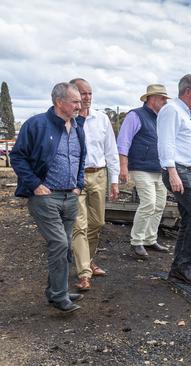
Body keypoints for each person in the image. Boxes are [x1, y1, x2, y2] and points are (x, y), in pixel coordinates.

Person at [10, 82, 87, 312]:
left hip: (70, 196)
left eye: (79, 101)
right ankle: (59, 294)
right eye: (74, 101)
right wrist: (34, 185)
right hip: (46, 197)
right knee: (59, 243)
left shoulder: (77, 127)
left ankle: (56, 291)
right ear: (59, 102)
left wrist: (78, 184)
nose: (79, 105)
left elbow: (81, 158)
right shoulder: (36, 124)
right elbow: (17, 157)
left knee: (63, 248)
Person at [157, 74, 191, 286]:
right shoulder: (172, 110)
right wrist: (172, 171)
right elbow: (166, 142)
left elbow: (189, 148)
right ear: (187, 92)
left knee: (189, 219)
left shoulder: (187, 113)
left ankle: (178, 269)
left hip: (189, 171)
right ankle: (185, 266)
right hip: (178, 170)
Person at [70, 78, 120, 291]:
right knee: (78, 225)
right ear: (73, 95)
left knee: (97, 223)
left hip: (98, 175)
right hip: (75, 178)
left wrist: (115, 180)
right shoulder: (67, 120)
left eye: (89, 93)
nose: (87, 97)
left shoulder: (102, 119)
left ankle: (87, 260)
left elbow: (111, 150)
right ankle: (84, 273)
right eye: (82, 94)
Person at [117, 84, 170, 258]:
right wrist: (123, 166)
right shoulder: (135, 115)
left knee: (160, 204)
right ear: (151, 98)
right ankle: (137, 241)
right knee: (148, 203)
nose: (164, 102)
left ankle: (149, 238)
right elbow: (124, 141)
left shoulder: (161, 118)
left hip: (158, 168)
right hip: (141, 167)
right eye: (162, 98)